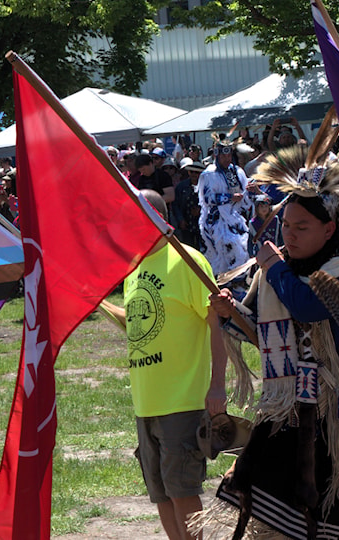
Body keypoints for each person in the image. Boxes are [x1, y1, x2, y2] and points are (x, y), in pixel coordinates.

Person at [204, 145, 339, 539]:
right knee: (285, 510)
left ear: (329, 229)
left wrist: (272, 266)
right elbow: (269, 333)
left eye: (300, 227)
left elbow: (308, 306)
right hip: (303, 405)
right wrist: (231, 312)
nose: (288, 234)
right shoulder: (287, 269)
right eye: (285, 225)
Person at [103, 189, 228, 540]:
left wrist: (217, 385)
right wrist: (95, 301)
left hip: (182, 401)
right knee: (160, 493)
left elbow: (215, 324)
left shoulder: (187, 261)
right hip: (146, 402)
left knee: (183, 491)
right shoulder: (135, 267)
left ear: (155, 218)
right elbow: (138, 320)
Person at [198, 140, 253, 275]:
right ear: (217, 156)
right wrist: (229, 197)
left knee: (241, 248)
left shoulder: (236, 171)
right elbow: (207, 199)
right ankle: (221, 281)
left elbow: (245, 192)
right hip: (216, 221)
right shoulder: (209, 174)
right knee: (221, 250)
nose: (227, 159)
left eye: (229, 156)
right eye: (224, 156)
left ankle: (237, 282)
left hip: (234, 217)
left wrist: (251, 190)